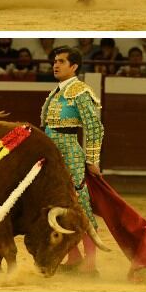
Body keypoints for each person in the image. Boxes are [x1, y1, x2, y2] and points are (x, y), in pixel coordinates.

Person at [41, 47, 104, 274]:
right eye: (54, 61)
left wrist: (92, 159)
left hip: (70, 155)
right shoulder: (58, 92)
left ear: (74, 66)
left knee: (79, 206)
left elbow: (94, 126)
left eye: (61, 61)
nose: (55, 65)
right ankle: (74, 258)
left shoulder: (79, 91)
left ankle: (91, 264)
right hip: (53, 157)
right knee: (58, 205)